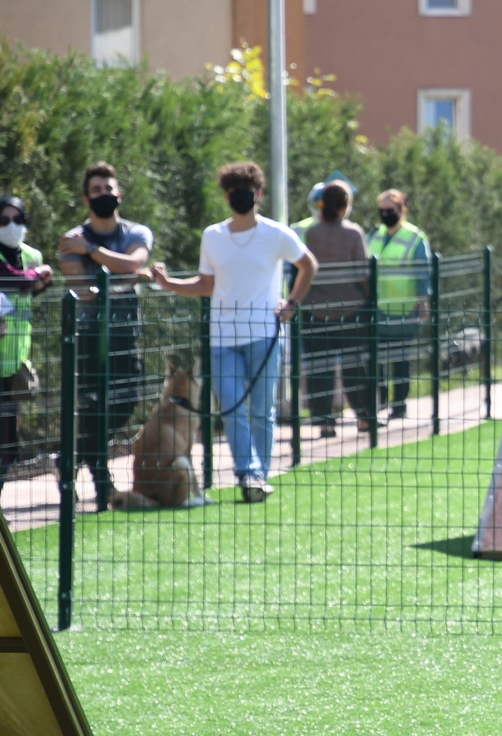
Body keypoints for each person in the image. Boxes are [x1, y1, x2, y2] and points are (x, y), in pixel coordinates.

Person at [151, 162, 317, 503]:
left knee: (261, 409)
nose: (242, 196)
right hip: (223, 337)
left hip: (265, 336)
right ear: (227, 196)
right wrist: (169, 284)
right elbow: (206, 284)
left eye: (249, 190)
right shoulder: (213, 236)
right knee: (230, 407)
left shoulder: (276, 234)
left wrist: (292, 304)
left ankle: (258, 475)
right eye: (235, 191)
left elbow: (308, 264)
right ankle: (248, 473)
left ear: (259, 194)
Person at [59, 162, 151, 507]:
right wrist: (124, 278)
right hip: (88, 339)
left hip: (126, 337)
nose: (104, 195)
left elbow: (134, 264)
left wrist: (93, 253)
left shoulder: (136, 232)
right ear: (86, 198)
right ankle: (103, 487)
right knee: (94, 410)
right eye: (96, 191)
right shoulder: (71, 239)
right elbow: (83, 290)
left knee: (124, 405)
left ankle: (71, 458)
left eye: (109, 189)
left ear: (119, 194)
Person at [301, 182, 376, 437]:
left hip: (315, 310)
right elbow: (363, 272)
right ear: (345, 206)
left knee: (318, 370)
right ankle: (365, 419)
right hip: (350, 310)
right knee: (355, 368)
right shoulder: (354, 233)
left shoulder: (312, 233)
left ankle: (324, 422)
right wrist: (368, 297)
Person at [0, 196, 53, 493]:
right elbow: (13, 280)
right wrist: (37, 276)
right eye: (4, 220)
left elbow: (25, 295)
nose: (11, 226)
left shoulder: (31, 255)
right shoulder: (30, 265)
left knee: (8, 443)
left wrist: (43, 283)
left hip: (13, 363)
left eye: (17, 220)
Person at [367, 189, 432, 421]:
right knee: (376, 359)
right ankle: (381, 400)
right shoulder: (374, 234)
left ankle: (399, 404)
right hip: (377, 308)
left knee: (400, 360)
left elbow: (423, 275)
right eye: (381, 210)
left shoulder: (415, 238)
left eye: (390, 210)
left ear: (402, 210)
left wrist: (424, 305)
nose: (385, 214)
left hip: (404, 308)